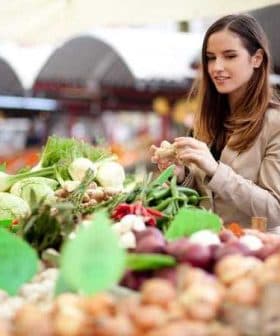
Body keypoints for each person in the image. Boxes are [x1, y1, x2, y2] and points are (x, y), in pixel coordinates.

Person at [151, 14, 280, 230]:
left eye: (229, 56)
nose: (216, 67)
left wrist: (215, 170)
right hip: (206, 245)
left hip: (253, 253)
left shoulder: (274, 124)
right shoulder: (206, 119)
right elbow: (206, 196)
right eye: (211, 57)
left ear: (256, 58)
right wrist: (182, 175)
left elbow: (275, 210)